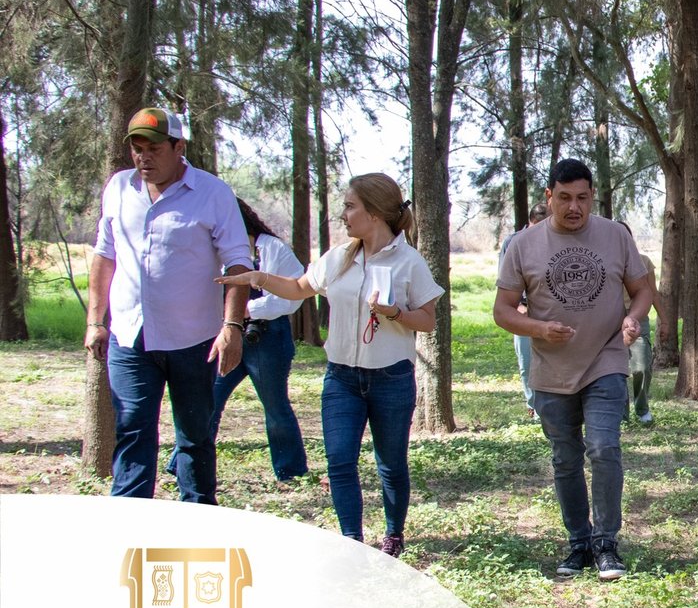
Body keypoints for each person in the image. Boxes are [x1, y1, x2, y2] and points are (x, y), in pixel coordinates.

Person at [219, 173, 443, 556]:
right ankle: (352, 541)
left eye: (350, 206)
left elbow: (427, 320)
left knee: (390, 464)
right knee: (339, 462)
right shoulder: (339, 257)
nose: (343, 214)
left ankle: (393, 535)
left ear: (374, 213)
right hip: (341, 378)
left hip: (391, 379)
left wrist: (394, 312)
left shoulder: (410, 262)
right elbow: (298, 288)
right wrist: (258, 278)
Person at [494, 159, 654, 582]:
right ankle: (579, 542)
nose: (574, 207)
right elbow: (502, 310)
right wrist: (538, 328)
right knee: (565, 458)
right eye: (564, 198)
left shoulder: (615, 235)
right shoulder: (523, 245)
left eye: (582, 198)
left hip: (606, 357)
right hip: (551, 367)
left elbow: (642, 290)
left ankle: (606, 542)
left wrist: (633, 317)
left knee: (603, 448)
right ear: (549, 197)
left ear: (592, 197)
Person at [86, 107, 253, 503]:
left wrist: (232, 327)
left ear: (179, 148)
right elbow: (104, 255)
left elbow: (238, 264)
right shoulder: (119, 188)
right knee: (132, 430)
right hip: (130, 336)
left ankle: (198, 518)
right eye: (137, 149)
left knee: (194, 437)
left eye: (154, 149)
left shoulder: (213, 193)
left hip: (194, 340)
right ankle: (129, 521)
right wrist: (96, 321)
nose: (144, 158)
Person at [170, 200, 309, 481]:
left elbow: (293, 296)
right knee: (208, 400)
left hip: (267, 337)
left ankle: (290, 471)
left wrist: (248, 309)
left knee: (274, 405)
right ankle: (183, 467)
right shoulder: (214, 251)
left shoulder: (272, 248)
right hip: (225, 335)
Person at [501, 201, 549, 421]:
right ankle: (534, 405)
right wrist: (519, 307)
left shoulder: (553, 240)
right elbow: (505, 281)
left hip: (548, 311)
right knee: (527, 362)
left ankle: (549, 405)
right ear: (530, 222)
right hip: (521, 312)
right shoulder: (513, 242)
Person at [616, 221, 656, 425]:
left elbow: (652, 292)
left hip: (638, 318)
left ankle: (642, 409)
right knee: (616, 370)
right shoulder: (605, 263)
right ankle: (621, 413)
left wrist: (665, 320)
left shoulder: (644, 261)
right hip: (611, 320)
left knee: (642, 366)